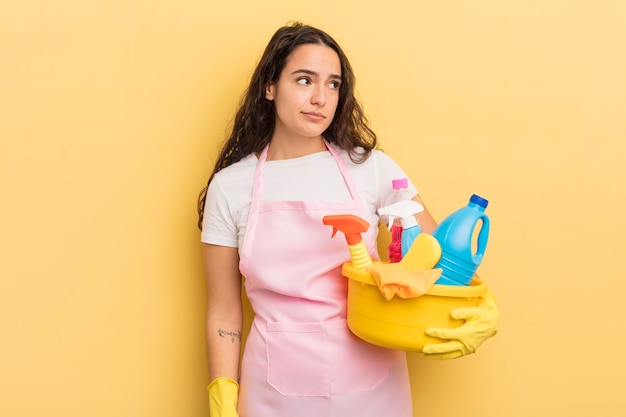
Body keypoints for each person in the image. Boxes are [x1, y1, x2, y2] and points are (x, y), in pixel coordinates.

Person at [197, 22, 499, 417]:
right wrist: (223, 391)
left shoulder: (372, 169)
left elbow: (438, 260)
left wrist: (481, 303)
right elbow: (224, 309)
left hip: (372, 389)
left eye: (333, 84)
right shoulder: (231, 186)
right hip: (273, 390)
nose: (320, 98)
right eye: (304, 80)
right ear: (270, 87)